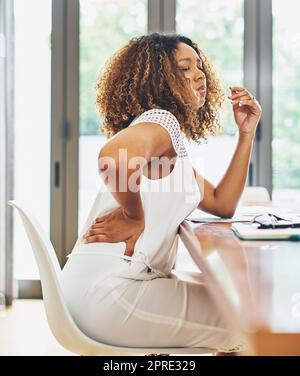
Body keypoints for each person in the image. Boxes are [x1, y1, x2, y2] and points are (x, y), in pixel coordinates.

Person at [60, 32, 261, 352]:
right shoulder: (161, 121)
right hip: (110, 294)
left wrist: (246, 134)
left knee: (237, 303)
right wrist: (132, 215)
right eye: (184, 68)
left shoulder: (171, 144)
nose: (199, 75)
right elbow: (112, 159)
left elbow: (223, 204)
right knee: (252, 325)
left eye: (199, 66)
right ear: (159, 80)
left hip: (100, 290)